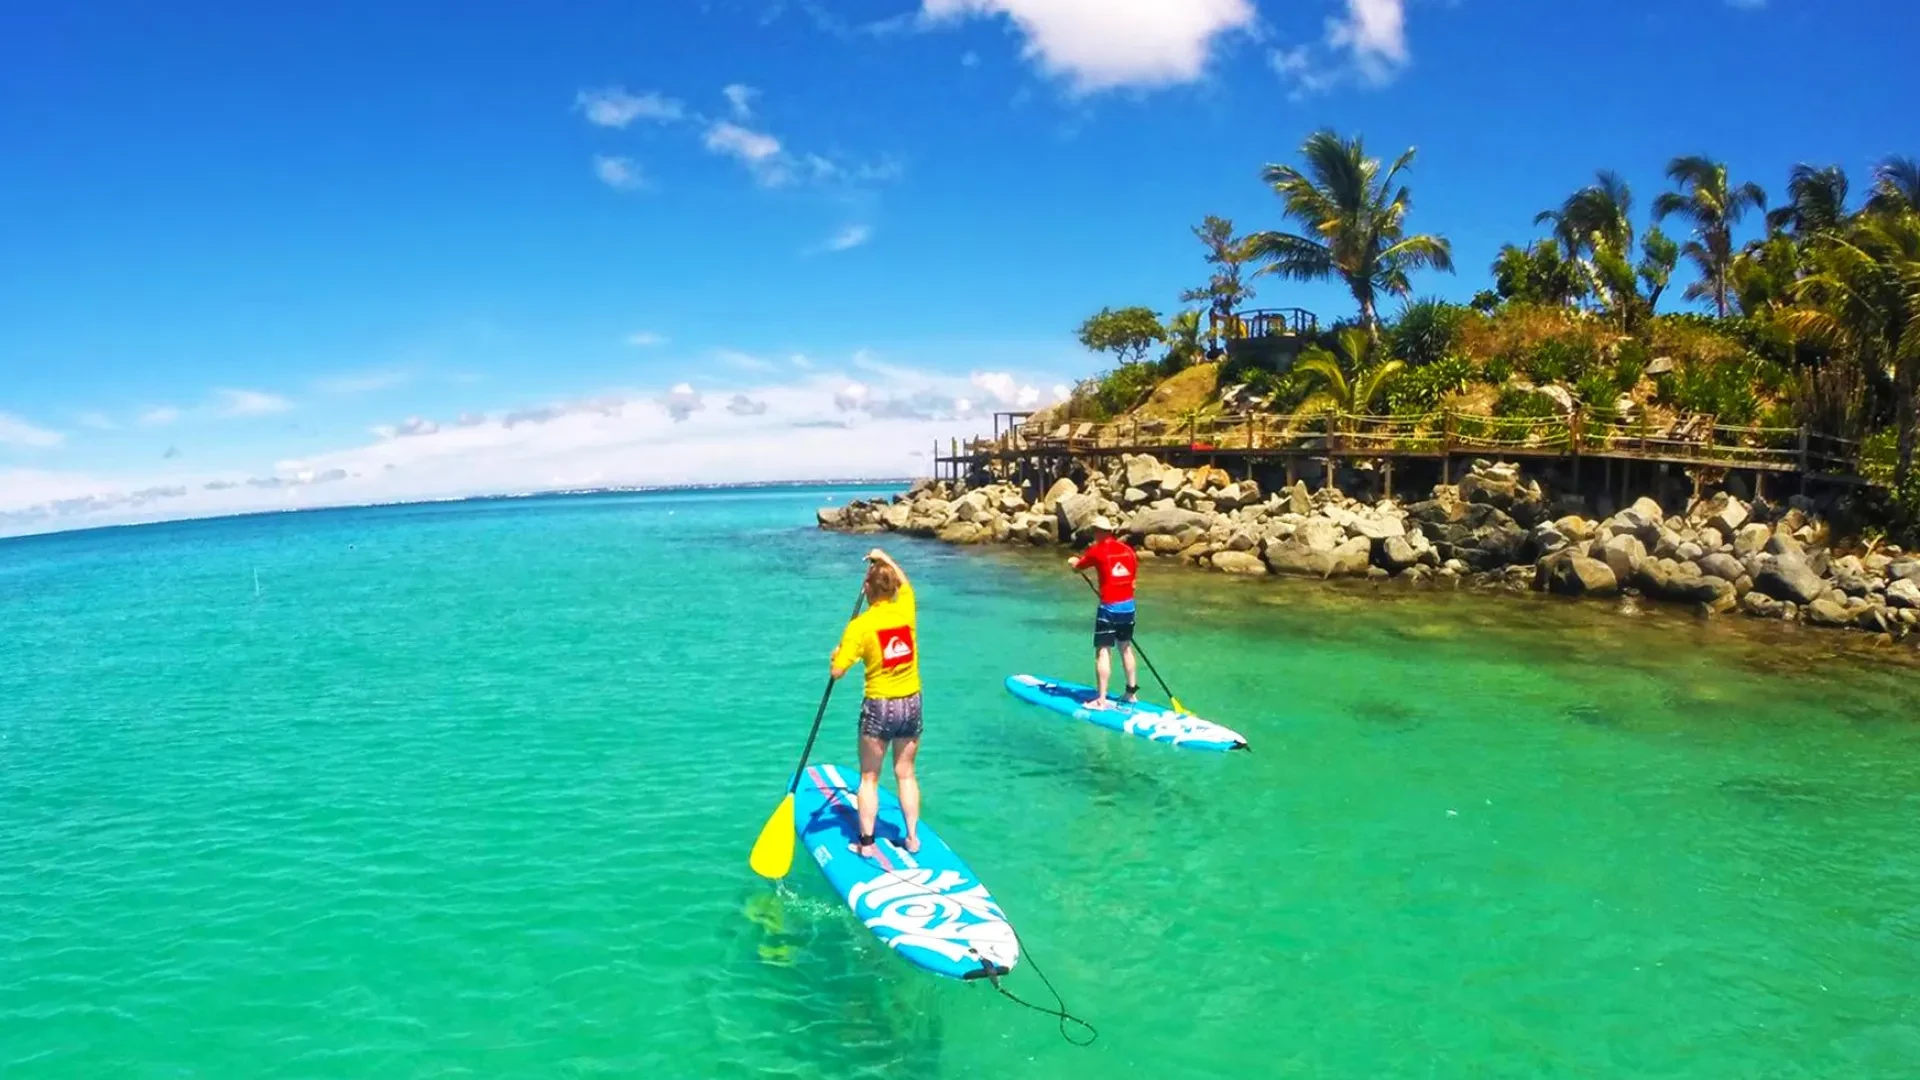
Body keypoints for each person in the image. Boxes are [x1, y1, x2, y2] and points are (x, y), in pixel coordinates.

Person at [829, 548, 922, 859]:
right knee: (905, 773)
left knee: (870, 776)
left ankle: (866, 844)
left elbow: (837, 672)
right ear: (894, 588)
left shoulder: (860, 626)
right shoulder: (906, 609)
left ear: (867, 589)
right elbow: (905, 583)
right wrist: (887, 558)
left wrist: (838, 652)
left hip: (880, 706)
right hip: (911, 702)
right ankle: (911, 838)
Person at [1068, 516, 1139, 710]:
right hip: (1128, 607)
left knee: (1103, 651)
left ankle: (1101, 700)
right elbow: (1133, 581)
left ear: (1098, 532)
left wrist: (1073, 562)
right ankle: (1131, 693)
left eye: (1094, 532)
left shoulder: (1097, 550)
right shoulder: (1128, 551)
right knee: (1125, 647)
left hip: (1109, 608)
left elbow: (1078, 567)